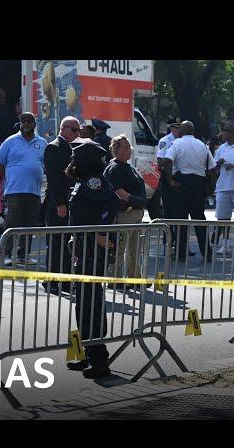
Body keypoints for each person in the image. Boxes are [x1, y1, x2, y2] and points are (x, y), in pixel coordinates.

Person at [65, 138, 122, 379]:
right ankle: (87, 354)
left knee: (91, 303)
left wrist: (101, 231)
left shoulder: (94, 181)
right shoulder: (83, 181)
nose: (72, 160)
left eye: (75, 157)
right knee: (83, 303)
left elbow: (112, 205)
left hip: (93, 249)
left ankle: (100, 360)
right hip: (83, 246)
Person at [0, 112, 47, 265]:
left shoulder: (42, 142)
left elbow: (46, 164)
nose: (25, 124)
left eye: (29, 121)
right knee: (12, 223)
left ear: (34, 123)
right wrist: (10, 179)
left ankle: (23, 255)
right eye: (23, 122)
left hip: (35, 191)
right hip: (15, 190)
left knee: (30, 224)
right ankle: (5, 255)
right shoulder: (10, 141)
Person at [164, 121, 217, 260]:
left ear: (182, 130)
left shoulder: (176, 143)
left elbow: (167, 161)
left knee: (181, 220)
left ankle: (181, 254)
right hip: (198, 184)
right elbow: (212, 170)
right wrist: (211, 187)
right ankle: (207, 253)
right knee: (199, 219)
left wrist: (170, 181)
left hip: (182, 184)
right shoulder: (202, 145)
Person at [103, 134, 148, 288]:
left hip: (135, 213)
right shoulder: (115, 167)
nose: (129, 150)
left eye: (129, 146)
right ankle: (115, 279)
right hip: (124, 213)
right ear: (116, 150)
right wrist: (136, 200)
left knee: (134, 248)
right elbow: (119, 192)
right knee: (119, 247)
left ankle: (134, 277)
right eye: (125, 147)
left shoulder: (127, 166)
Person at [42, 116, 80, 294]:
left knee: (67, 243)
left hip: (69, 201)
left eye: (78, 130)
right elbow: (54, 179)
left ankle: (64, 281)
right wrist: (60, 203)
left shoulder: (70, 148)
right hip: (58, 202)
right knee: (56, 242)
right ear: (63, 129)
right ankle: (51, 280)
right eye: (74, 130)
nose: (77, 134)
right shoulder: (53, 147)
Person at [213, 123, 234, 255]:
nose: (223, 134)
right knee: (223, 218)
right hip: (223, 186)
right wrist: (218, 163)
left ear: (233, 133)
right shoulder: (221, 148)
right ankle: (225, 245)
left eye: (225, 131)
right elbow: (214, 167)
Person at [156, 118, 182, 254]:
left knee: (181, 214)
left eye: (180, 127)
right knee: (169, 214)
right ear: (171, 128)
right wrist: (169, 179)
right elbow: (160, 161)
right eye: (175, 128)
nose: (178, 130)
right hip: (168, 180)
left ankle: (181, 244)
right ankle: (168, 243)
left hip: (180, 179)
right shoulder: (165, 141)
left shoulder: (183, 140)